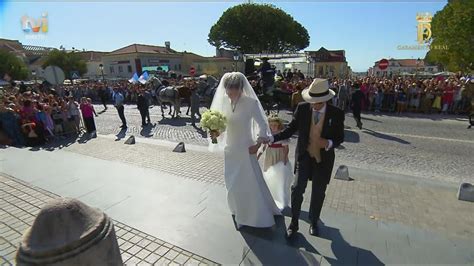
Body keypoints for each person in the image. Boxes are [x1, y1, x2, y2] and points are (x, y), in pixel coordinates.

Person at [270, 78, 344, 238]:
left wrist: (329, 142)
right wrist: (272, 138)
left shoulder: (336, 114)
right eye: (311, 101)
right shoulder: (302, 109)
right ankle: (294, 223)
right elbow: (290, 129)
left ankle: (314, 221)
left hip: (323, 160)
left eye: (317, 102)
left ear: (325, 100)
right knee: (297, 189)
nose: (313, 104)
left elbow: (340, 137)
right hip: (304, 157)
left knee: (318, 192)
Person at [208, 72, 280, 229]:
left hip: (247, 149)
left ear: (241, 88)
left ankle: (249, 216)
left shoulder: (251, 103)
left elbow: (263, 125)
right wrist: (216, 132)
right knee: (232, 183)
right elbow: (224, 125)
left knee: (247, 183)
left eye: (234, 89)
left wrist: (258, 144)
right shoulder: (224, 103)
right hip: (231, 149)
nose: (231, 92)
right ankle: (236, 208)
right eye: (228, 89)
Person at [257, 115, 293, 211]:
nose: (273, 127)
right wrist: (259, 155)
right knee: (269, 176)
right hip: (270, 156)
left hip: (279, 156)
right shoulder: (268, 134)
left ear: (279, 125)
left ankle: (280, 198)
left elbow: (286, 148)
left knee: (279, 177)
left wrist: (285, 158)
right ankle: (270, 197)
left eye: (275, 125)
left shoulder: (281, 135)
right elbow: (264, 147)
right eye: (271, 125)